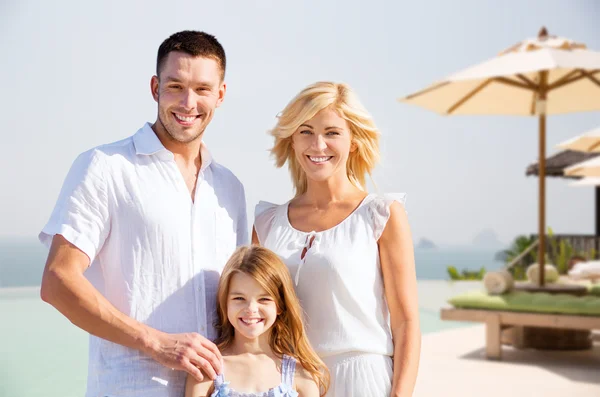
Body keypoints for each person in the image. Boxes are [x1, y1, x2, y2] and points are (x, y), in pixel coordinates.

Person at [39, 31, 248, 397]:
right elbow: (58, 281)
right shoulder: (105, 167)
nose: (188, 102)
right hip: (131, 388)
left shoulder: (230, 188)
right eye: (175, 86)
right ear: (155, 87)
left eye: (202, 89)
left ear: (221, 95)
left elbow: (240, 298)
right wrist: (156, 342)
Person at [252, 82, 420, 396]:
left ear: (353, 141)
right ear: (291, 139)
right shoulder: (266, 223)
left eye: (332, 132)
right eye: (305, 131)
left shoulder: (381, 215)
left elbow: (406, 322)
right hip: (287, 380)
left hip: (361, 379)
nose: (318, 145)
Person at [185, 245, 328, 397]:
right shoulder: (206, 369)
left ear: (280, 305)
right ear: (225, 302)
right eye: (239, 298)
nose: (251, 309)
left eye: (264, 299)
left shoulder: (302, 374)